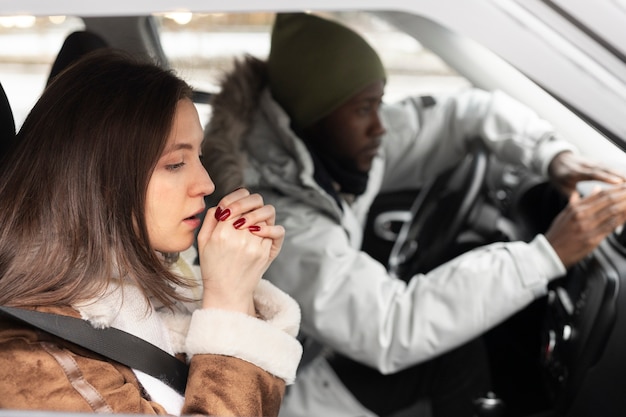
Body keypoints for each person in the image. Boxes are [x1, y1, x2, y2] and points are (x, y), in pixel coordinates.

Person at [201, 12, 626, 417]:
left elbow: (465, 116)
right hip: (279, 394)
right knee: (453, 356)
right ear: (313, 118)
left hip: (313, 352)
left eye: (379, 103)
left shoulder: (335, 150)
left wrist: (553, 156)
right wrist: (547, 256)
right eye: (364, 109)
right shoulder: (279, 218)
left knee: (455, 348)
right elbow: (390, 327)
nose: (380, 127)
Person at [0, 49, 302, 416]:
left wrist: (235, 286)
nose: (207, 184)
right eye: (175, 163)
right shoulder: (28, 361)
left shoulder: (156, 283)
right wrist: (228, 301)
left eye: (199, 157)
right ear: (97, 182)